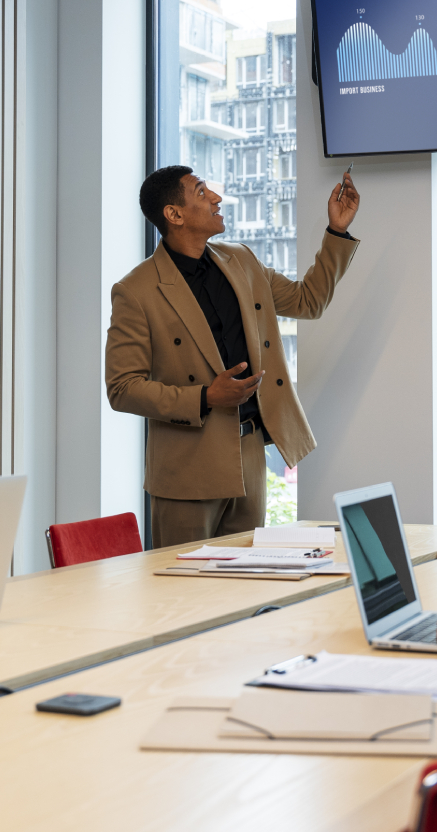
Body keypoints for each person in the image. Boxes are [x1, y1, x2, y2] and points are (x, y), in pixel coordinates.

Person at [106, 166, 361, 547]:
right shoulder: (135, 290)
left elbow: (309, 301)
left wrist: (336, 231)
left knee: (245, 591)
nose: (216, 198)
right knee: (185, 595)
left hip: (249, 459)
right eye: (201, 191)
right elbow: (123, 389)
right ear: (174, 215)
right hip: (186, 469)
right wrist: (205, 397)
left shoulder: (242, 261)